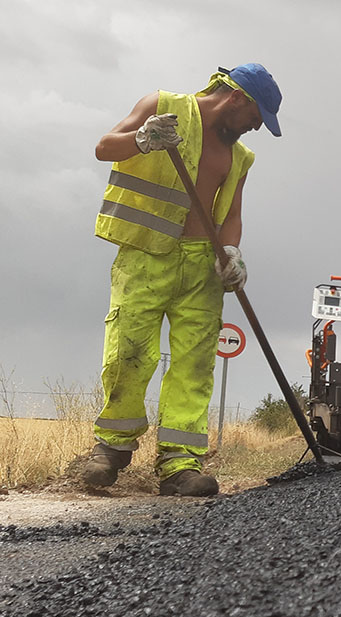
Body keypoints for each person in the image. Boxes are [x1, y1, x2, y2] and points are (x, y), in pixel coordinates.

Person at [82, 64, 282, 497]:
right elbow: (103, 148)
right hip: (145, 254)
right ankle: (111, 449)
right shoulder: (163, 108)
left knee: (194, 364)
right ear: (238, 99)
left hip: (201, 268)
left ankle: (180, 463)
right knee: (129, 352)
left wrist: (231, 253)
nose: (255, 128)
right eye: (256, 118)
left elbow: (230, 215)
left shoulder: (241, 157)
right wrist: (143, 139)